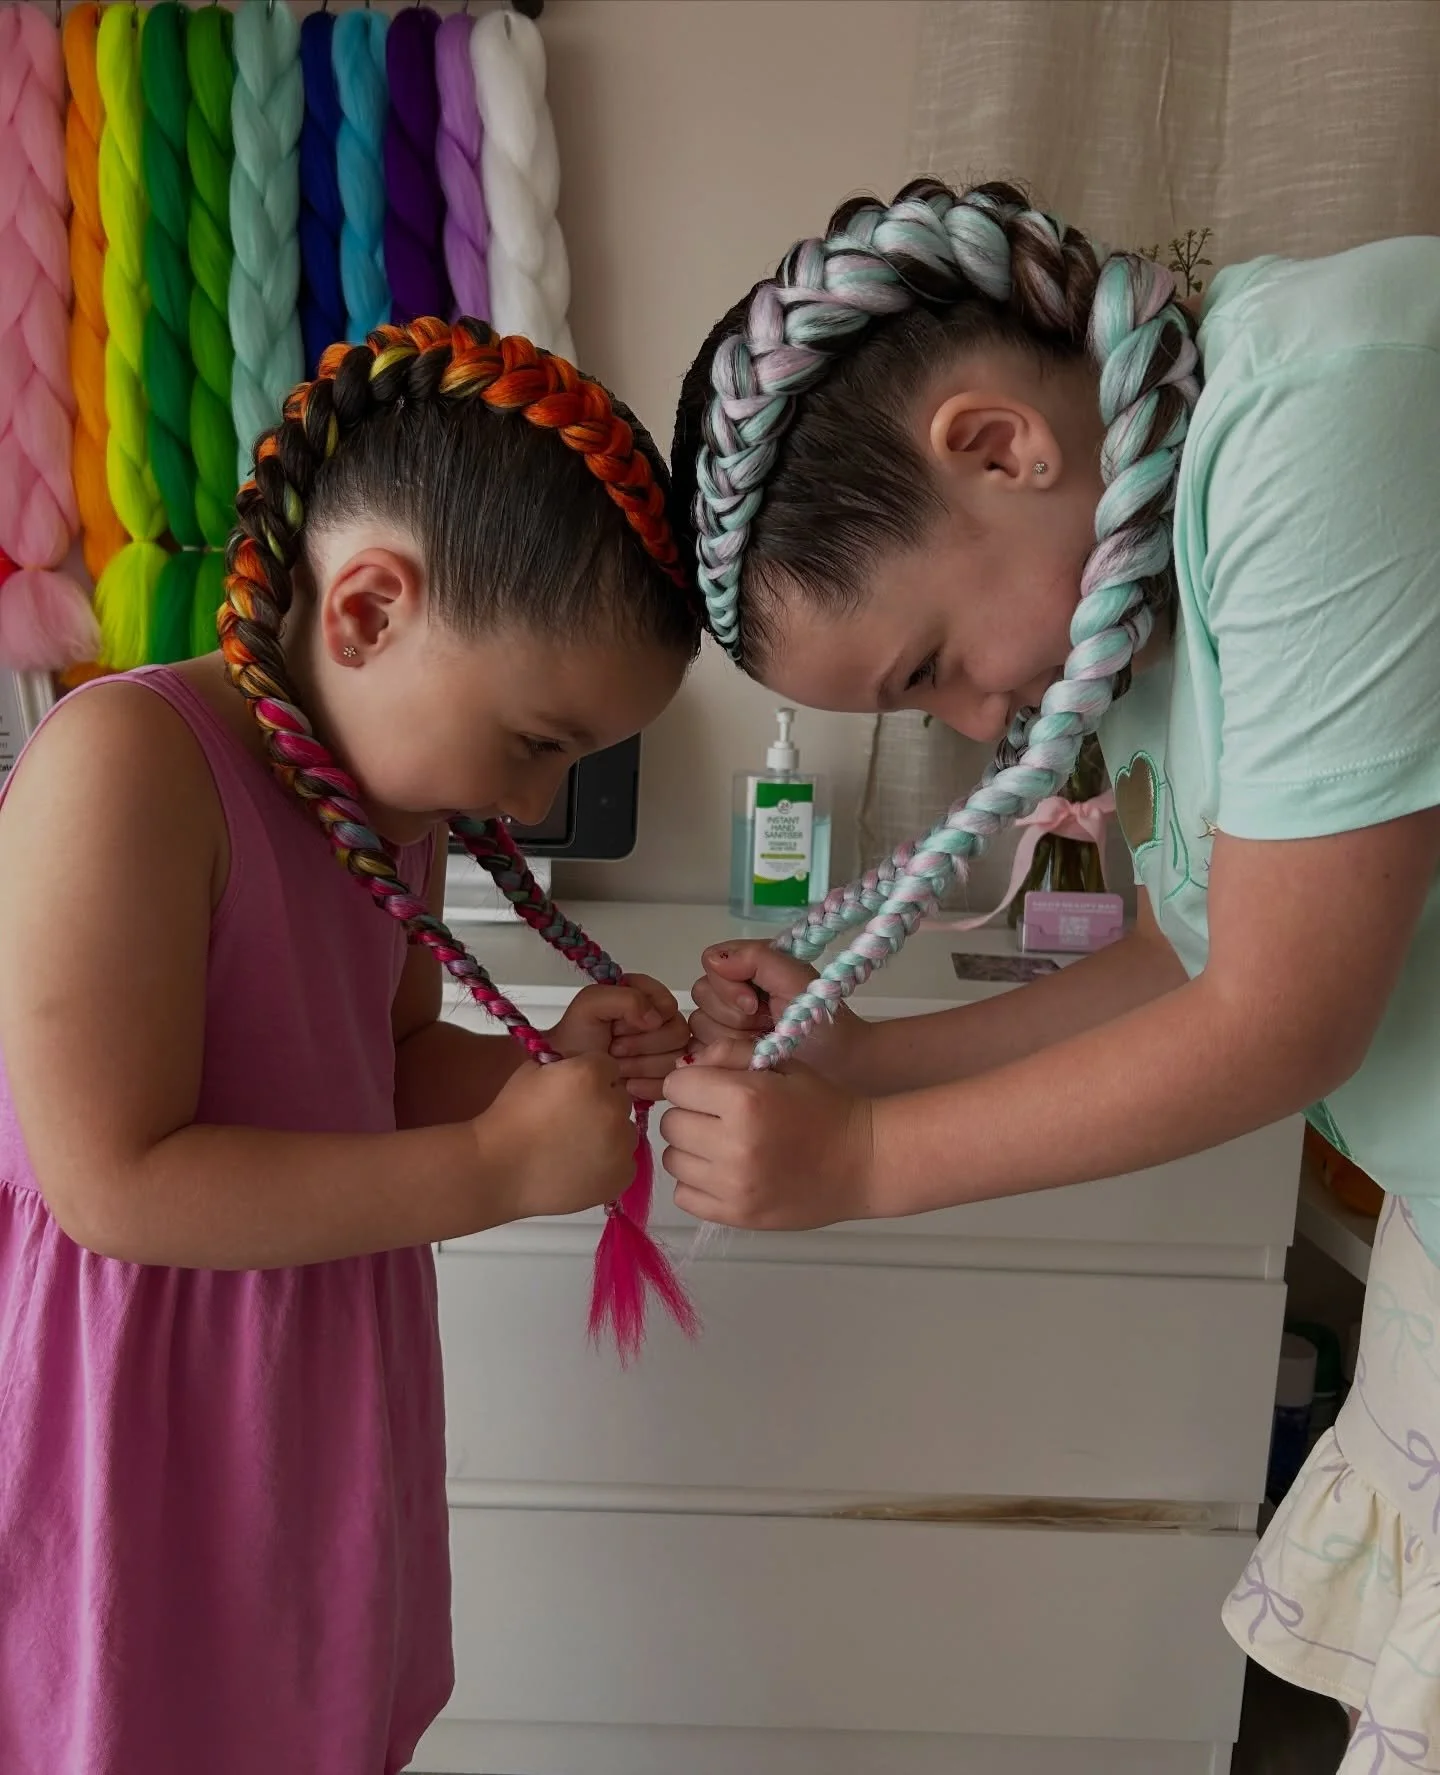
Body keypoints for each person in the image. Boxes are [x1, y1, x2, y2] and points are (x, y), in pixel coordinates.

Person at [660, 180, 1440, 1757]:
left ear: (1000, 445)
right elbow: (1192, 946)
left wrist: (864, 1158)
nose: (970, 722)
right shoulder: (1148, 594)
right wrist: (869, 1057)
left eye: (929, 665)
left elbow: (1281, 1014)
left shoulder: (1324, 408)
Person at [0, 318, 697, 1775]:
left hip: (303, 1383)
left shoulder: (380, 810)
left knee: (297, 1717)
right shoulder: (123, 767)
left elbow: (373, 1070)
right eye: (536, 739)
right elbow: (114, 1182)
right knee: (129, 1722)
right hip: (128, 1401)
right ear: (368, 611)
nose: (539, 793)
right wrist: (499, 1171)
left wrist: (545, 1071)